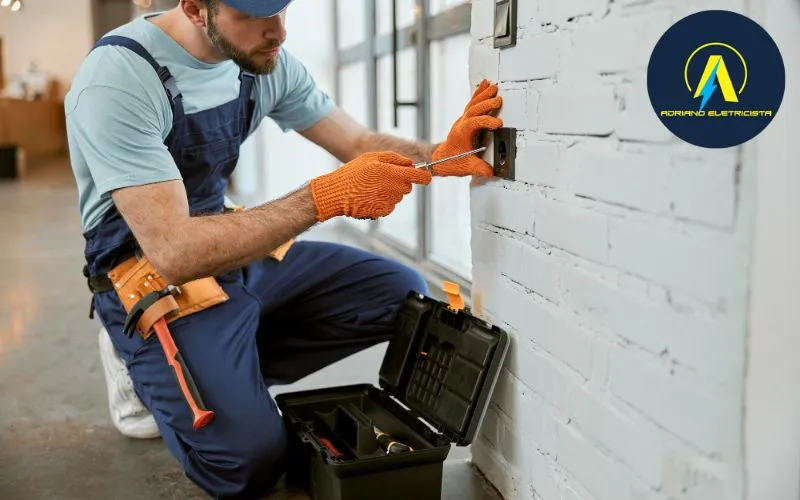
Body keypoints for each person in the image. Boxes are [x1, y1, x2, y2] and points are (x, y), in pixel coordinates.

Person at [65, 0, 503, 498]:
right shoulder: (119, 78)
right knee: (247, 464)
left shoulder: (259, 59)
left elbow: (357, 143)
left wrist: (437, 156)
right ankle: (139, 365)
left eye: (282, 9)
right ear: (193, 8)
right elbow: (173, 250)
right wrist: (324, 197)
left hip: (228, 246)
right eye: (253, 14)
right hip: (152, 272)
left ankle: (222, 368)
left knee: (399, 293)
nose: (278, 32)